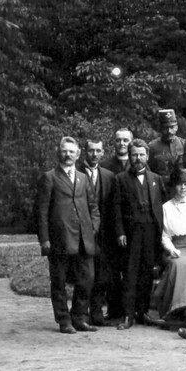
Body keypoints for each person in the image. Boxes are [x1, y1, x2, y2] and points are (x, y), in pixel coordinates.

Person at [36, 137, 100, 334]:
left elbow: (93, 207)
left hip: (84, 238)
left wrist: (92, 228)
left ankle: (80, 317)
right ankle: (64, 320)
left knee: (87, 279)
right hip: (60, 239)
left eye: (72, 152)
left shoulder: (83, 178)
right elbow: (41, 212)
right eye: (65, 151)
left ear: (78, 154)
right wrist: (45, 239)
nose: (68, 155)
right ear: (59, 152)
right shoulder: (49, 177)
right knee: (59, 281)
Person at [112, 139, 165, 330]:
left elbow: (161, 207)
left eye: (141, 154)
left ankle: (142, 312)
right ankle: (128, 315)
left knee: (146, 273)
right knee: (130, 273)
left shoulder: (156, 179)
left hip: (151, 232)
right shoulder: (120, 179)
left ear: (147, 156)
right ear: (130, 155)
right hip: (131, 233)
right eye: (134, 154)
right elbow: (115, 209)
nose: (138, 158)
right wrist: (120, 232)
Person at [152, 167, 186, 320]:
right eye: (179, 184)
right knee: (177, 263)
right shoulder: (166, 208)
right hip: (175, 248)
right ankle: (176, 308)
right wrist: (171, 249)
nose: (183, 188)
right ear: (173, 186)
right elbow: (164, 235)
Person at [77, 138, 117, 326]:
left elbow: (113, 206)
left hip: (104, 234)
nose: (95, 154)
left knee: (101, 275)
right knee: (85, 276)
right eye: (91, 150)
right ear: (85, 152)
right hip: (82, 232)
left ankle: (97, 313)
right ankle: (80, 314)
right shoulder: (76, 173)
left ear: (103, 153)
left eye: (98, 151)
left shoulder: (109, 176)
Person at [148, 109, 185, 179]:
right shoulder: (152, 146)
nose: (169, 131)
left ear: (176, 127)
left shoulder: (183, 144)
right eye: (165, 128)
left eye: (172, 127)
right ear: (160, 128)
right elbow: (149, 171)